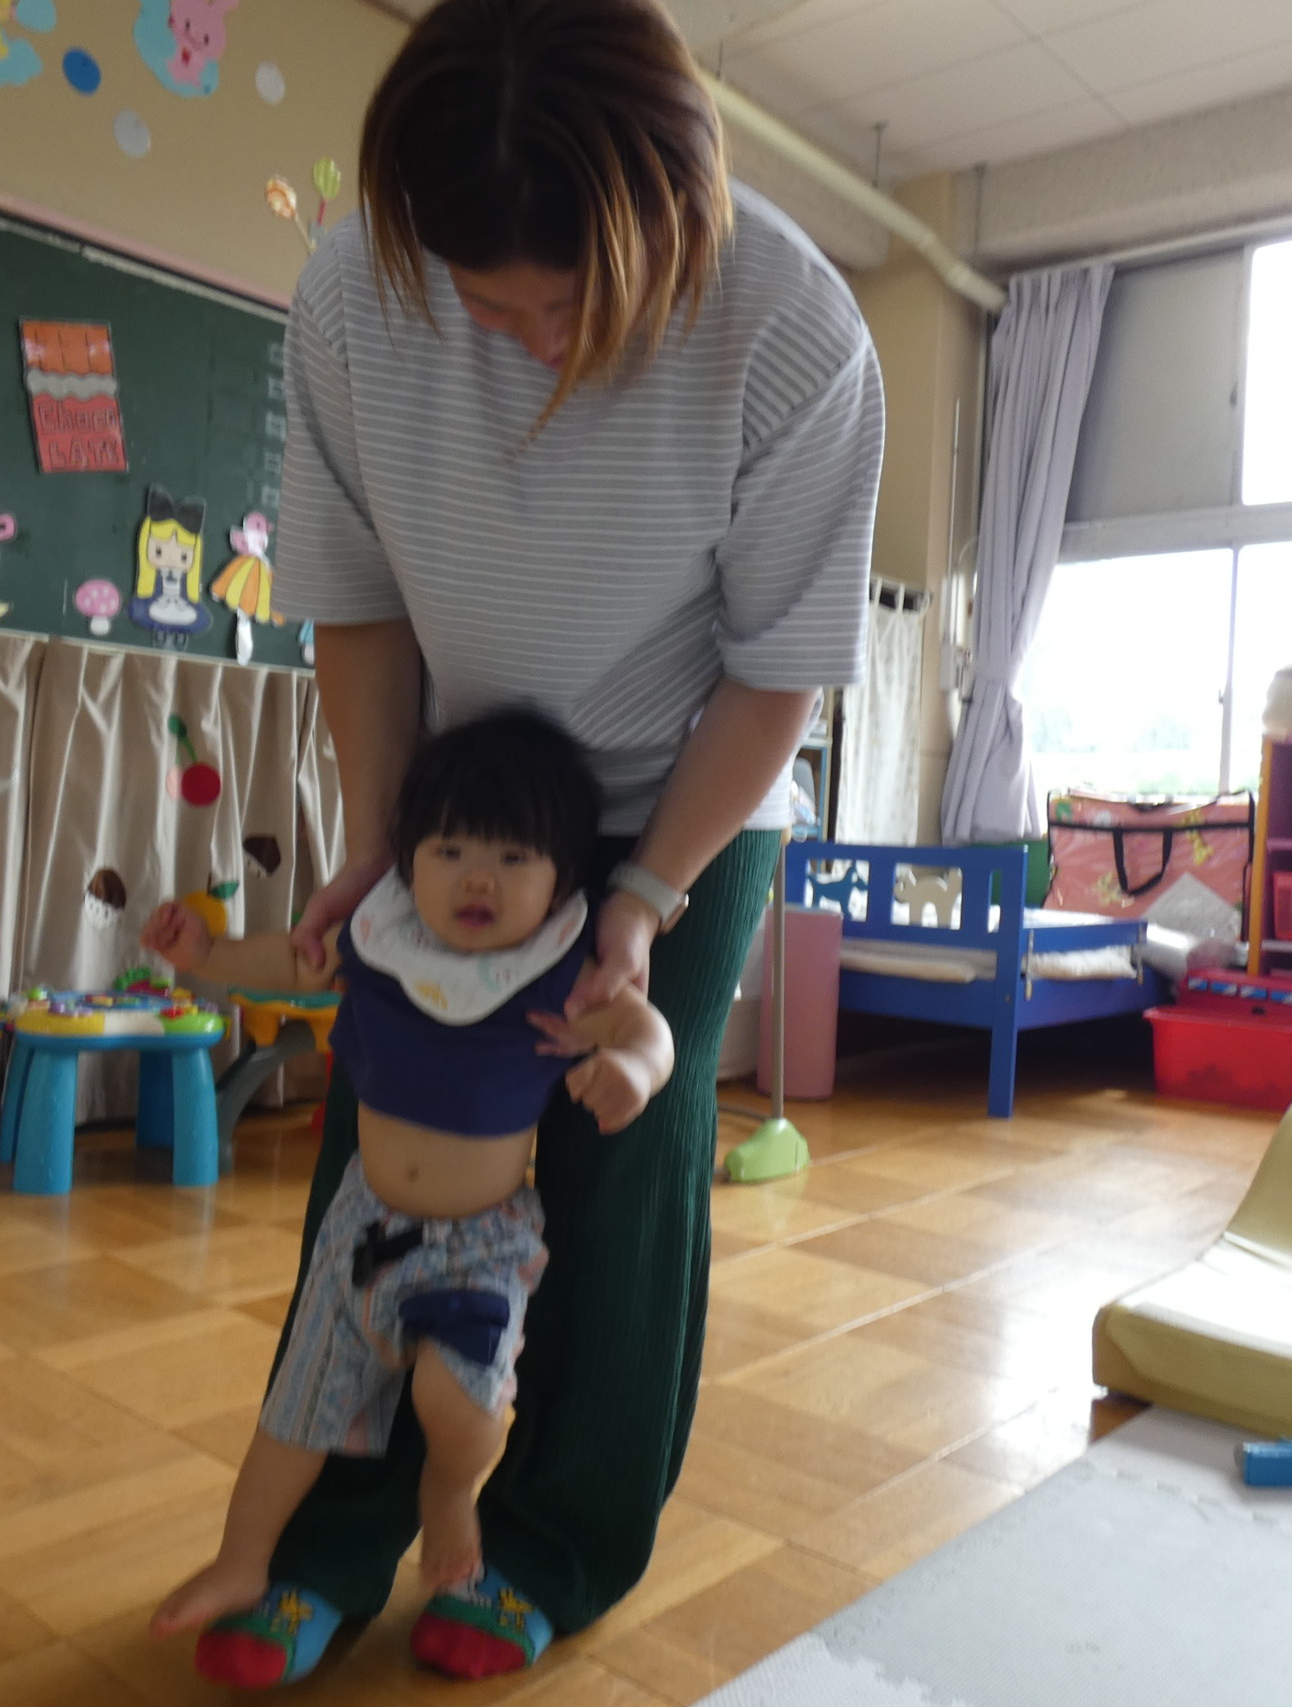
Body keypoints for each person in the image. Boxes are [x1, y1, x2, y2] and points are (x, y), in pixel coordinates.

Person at [223, 0, 885, 1685]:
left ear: (674, 214)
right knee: (391, 1131)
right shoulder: (353, 297)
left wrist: (644, 899)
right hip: (465, 793)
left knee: (618, 1150)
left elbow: (776, 672)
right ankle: (321, 1540)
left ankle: (547, 1544)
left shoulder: (793, 327)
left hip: (685, 791)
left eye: (571, 301)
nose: (529, 341)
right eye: (486, 299)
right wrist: (379, 840)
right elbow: (359, 607)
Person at [145, 711, 674, 1686]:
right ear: (406, 859)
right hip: (363, 1228)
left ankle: (449, 1495)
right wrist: (207, 954)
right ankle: (241, 1559)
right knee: (295, 1416)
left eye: (512, 857)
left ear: (562, 878)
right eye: (450, 850)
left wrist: (634, 1071)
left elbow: (646, 1028)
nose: (478, 879)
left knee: (454, 1403)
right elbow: (288, 962)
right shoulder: (381, 940)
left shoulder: (557, 971)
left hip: (478, 1245)